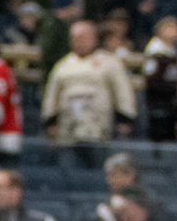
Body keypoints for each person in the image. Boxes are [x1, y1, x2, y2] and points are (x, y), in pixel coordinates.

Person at [41, 20, 135, 153]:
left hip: (99, 130)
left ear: (93, 38)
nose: (78, 42)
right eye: (74, 38)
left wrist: (125, 119)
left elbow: (123, 92)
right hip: (68, 131)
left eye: (82, 37)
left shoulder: (110, 63)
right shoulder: (63, 66)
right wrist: (50, 121)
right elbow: (52, 95)